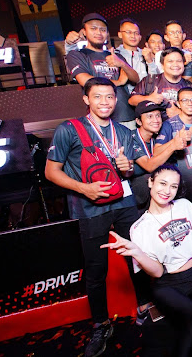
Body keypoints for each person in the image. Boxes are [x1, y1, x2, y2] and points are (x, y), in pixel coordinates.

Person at [44, 77, 148, 357]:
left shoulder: (122, 131)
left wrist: (127, 168)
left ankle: (145, 306)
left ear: (116, 100)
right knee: (96, 268)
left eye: (110, 97)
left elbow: (128, 171)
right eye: (98, 96)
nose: (105, 102)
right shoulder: (69, 129)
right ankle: (101, 324)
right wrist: (84, 189)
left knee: (137, 258)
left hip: (124, 202)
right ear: (86, 99)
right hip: (89, 207)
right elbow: (51, 172)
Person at [102, 164, 192, 357]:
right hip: (168, 284)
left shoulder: (184, 206)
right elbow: (157, 272)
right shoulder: (140, 227)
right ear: (150, 182)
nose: (167, 191)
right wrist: (137, 252)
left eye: (173, 186)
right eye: (162, 183)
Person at [65, 13, 138, 128]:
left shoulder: (115, 55)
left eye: (103, 30)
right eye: (93, 28)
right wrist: (118, 82)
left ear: (107, 34)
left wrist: (122, 64)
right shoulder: (77, 55)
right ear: (84, 32)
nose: (98, 33)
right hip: (101, 118)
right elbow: (87, 82)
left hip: (127, 115)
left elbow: (135, 78)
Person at [130, 101, 189, 214]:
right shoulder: (130, 138)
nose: (156, 120)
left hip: (155, 193)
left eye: (158, 115)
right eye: (150, 116)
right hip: (136, 196)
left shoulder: (157, 138)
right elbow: (149, 166)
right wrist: (173, 145)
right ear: (138, 121)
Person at [129, 47, 192, 119]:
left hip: (181, 125)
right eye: (170, 61)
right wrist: (149, 98)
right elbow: (132, 100)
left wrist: (181, 113)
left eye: (179, 61)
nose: (175, 64)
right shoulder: (150, 80)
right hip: (155, 124)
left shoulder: (189, 86)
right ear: (162, 65)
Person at [116, 18, 157, 84]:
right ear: (120, 34)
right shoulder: (115, 55)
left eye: (136, 33)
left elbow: (155, 80)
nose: (133, 36)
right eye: (129, 32)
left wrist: (150, 61)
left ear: (140, 37)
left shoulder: (146, 54)